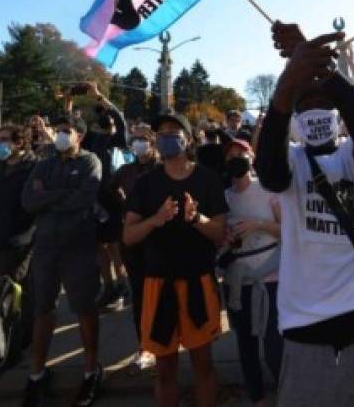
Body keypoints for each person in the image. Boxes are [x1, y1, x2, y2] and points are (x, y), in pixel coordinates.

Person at [255, 23, 354, 407]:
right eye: (304, 105)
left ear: (338, 113)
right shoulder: (291, 163)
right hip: (305, 327)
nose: (314, 110)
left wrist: (325, 70)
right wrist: (288, 84)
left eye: (323, 103)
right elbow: (269, 171)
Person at [122, 113, 227, 407]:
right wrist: (156, 220)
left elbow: (219, 232)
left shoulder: (207, 179)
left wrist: (196, 218)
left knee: (202, 365)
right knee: (165, 369)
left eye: (174, 131)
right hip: (157, 283)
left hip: (198, 281)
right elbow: (128, 236)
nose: (167, 137)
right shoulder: (145, 184)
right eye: (162, 132)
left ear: (189, 138)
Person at [21, 114, 104, 407]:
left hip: (78, 245)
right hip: (45, 246)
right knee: (42, 308)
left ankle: (91, 369)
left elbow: (84, 198)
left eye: (66, 131)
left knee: (84, 307)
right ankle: (37, 372)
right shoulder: (44, 163)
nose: (60, 136)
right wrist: (62, 194)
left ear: (78, 135)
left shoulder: (89, 162)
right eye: (58, 131)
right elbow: (28, 200)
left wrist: (49, 196)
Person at [222, 138, 283, 407]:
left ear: (252, 156)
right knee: (245, 344)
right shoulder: (224, 197)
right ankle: (257, 397)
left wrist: (258, 225)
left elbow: (289, 231)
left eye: (241, 153)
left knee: (274, 344)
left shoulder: (269, 191)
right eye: (231, 155)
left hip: (272, 277)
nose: (236, 159)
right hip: (238, 280)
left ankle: (287, 389)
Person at [0, 124, 38, 348]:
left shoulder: (34, 167)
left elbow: (35, 206)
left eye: (3, 140)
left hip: (20, 241)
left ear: (18, 142)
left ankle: (20, 338)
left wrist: (27, 236)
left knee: (17, 291)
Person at [76, 83, 129, 308]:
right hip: (93, 200)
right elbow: (73, 130)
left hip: (110, 197)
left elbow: (120, 119)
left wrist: (100, 97)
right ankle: (107, 287)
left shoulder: (114, 141)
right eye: (101, 119)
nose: (106, 122)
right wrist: (70, 103)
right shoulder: (90, 141)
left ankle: (123, 286)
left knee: (115, 245)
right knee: (99, 247)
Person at [113, 128, 159, 371]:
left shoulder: (162, 168)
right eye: (135, 140)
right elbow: (107, 193)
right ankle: (145, 346)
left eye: (144, 139)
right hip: (133, 241)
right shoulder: (125, 171)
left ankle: (164, 341)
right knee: (140, 294)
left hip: (161, 240)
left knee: (163, 293)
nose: (139, 144)